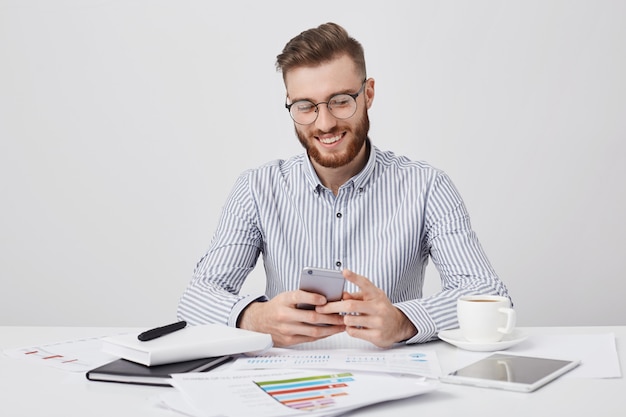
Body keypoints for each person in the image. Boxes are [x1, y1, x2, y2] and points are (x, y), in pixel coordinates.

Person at [177, 22, 511, 348]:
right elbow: (196, 299)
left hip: (396, 382)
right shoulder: (256, 188)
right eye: (305, 106)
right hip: (288, 382)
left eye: (340, 101)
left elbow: (489, 294)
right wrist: (253, 318)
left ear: (368, 94)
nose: (324, 124)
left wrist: (404, 320)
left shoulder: (428, 187)